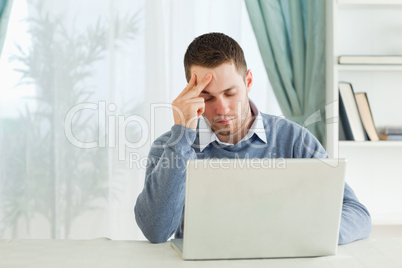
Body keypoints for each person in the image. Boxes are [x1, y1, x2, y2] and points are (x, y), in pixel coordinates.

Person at [134, 32, 371, 245]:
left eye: (230, 93)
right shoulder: (171, 145)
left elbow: (357, 214)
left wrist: (302, 233)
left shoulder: (293, 139)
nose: (222, 109)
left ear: (248, 82)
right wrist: (182, 135)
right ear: (190, 94)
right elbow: (156, 231)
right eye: (207, 97)